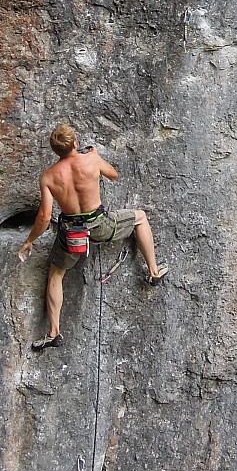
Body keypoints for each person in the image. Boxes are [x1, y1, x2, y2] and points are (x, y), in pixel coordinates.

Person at [18, 123, 168, 350]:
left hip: (71, 234)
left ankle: (54, 332)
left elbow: (44, 216)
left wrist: (29, 241)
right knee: (140, 218)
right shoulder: (91, 160)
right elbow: (113, 175)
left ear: (55, 150)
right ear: (75, 143)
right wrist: (95, 157)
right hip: (101, 226)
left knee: (55, 275)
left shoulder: (48, 177)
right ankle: (154, 272)